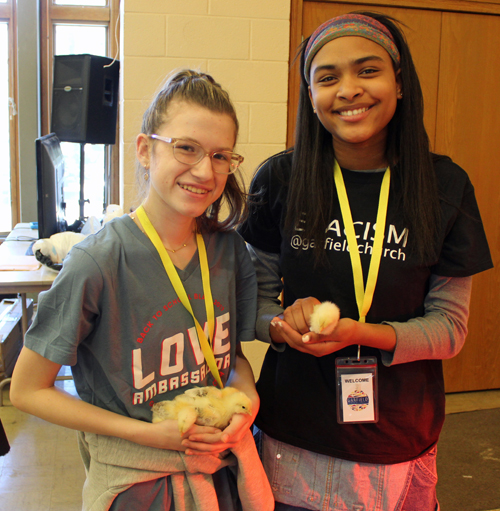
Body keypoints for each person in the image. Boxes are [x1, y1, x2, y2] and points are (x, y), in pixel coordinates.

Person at [239, 12, 493, 511]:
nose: (348, 90)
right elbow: (253, 300)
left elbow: (450, 328)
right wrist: (278, 324)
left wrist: (363, 335)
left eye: (367, 70)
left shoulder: (445, 186)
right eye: (327, 78)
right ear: (311, 97)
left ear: (399, 83)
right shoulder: (281, 179)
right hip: (294, 428)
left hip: (398, 433)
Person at [10, 69, 273, 511]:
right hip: (138, 486)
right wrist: (148, 433)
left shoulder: (229, 252)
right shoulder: (98, 262)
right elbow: (26, 391)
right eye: (186, 148)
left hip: (218, 473)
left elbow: (229, 359)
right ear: (146, 150)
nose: (205, 171)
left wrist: (248, 399)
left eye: (221, 156)